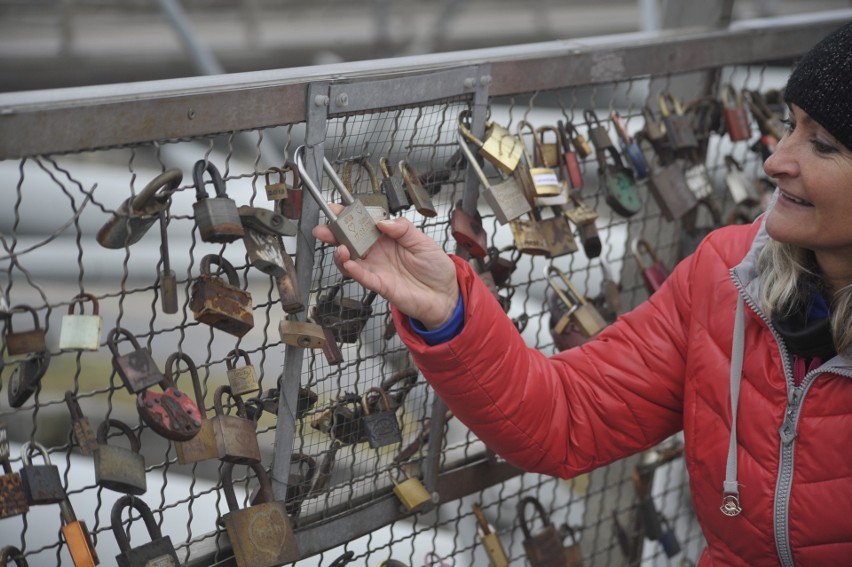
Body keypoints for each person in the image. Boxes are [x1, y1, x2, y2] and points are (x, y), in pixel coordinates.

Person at [313, 21, 852, 566]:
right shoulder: (729, 276)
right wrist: (449, 309)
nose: (776, 160)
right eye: (788, 126)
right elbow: (568, 417)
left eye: (823, 144)